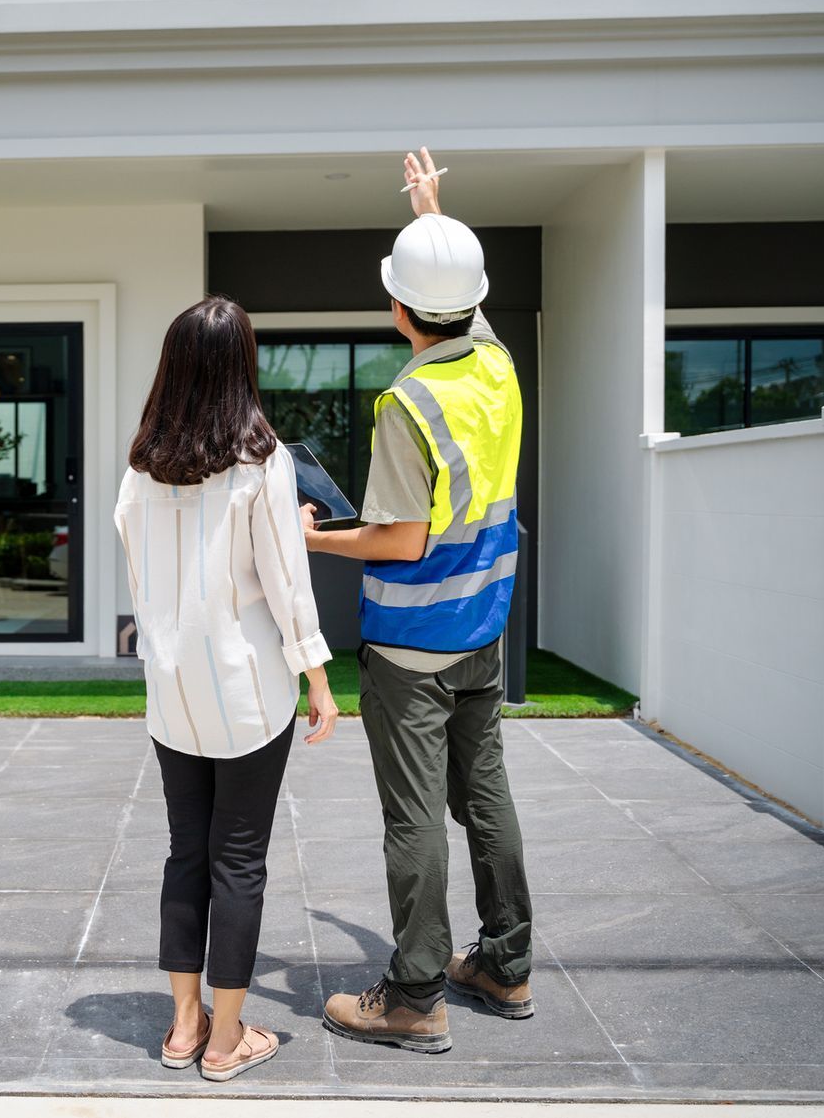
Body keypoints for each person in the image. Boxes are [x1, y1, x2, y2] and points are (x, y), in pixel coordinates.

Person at [304, 149, 535, 1054]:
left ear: (397, 310)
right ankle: (506, 963)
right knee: (486, 798)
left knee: (412, 818)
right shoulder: (499, 366)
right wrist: (434, 215)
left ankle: (412, 995)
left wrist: (314, 535)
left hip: (412, 642)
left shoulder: (409, 401)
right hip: (484, 628)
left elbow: (398, 538)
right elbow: (462, 302)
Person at [115, 295, 340, 1082]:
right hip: (248, 693)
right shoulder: (264, 463)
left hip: (172, 690)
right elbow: (286, 583)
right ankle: (226, 1039)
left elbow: (140, 572)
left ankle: (183, 1027)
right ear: (240, 365)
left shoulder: (142, 465)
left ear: (174, 366)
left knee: (186, 852)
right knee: (237, 860)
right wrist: (318, 676)